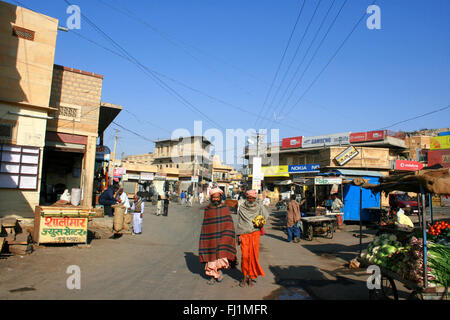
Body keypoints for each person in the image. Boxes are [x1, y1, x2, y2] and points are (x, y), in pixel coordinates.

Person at [199, 188, 237, 285]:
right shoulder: (208, 210)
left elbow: (228, 223)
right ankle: (213, 276)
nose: (216, 199)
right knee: (211, 258)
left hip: (222, 237)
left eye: (217, 197)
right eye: (214, 197)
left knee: (220, 255)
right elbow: (206, 225)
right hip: (211, 238)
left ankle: (218, 271)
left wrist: (228, 235)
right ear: (211, 198)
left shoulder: (225, 208)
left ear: (220, 197)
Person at [236, 189, 269, 287]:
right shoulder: (241, 207)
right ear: (246, 197)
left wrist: (260, 222)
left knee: (253, 256)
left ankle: (251, 277)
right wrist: (237, 235)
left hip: (255, 233)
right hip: (244, 233)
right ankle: (244, 276)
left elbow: (266, 215)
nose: (250, 200)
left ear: (255, 198)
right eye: (248, 198)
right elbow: (239, 221)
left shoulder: (259, 207)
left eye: (252, 198)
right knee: (245, 256)